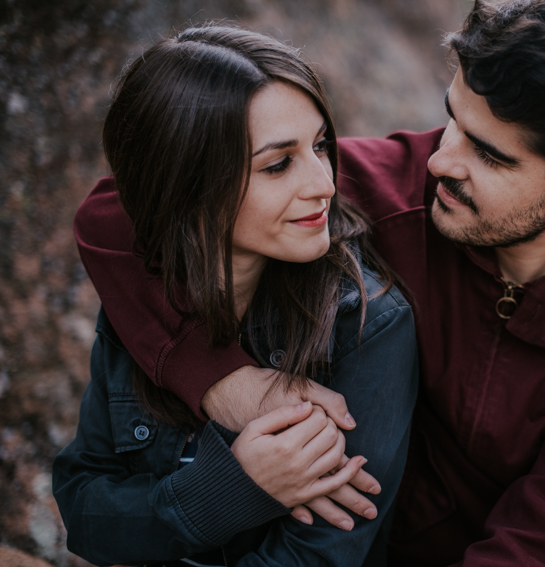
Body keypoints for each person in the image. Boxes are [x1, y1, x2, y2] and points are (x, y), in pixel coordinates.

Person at [71, 1, 545, 566]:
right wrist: (221, 378)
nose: (442, 160)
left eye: (490, 154)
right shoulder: (375, 190)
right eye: (454, 122)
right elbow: (121, 209)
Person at [52, 25, 418, 566]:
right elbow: (84, 512)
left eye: (320, 145)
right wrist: (231, 489)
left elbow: (320, 556)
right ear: (186, 186)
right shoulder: (139, 302)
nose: (324, 184)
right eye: (277, 164)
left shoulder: (366, 322)